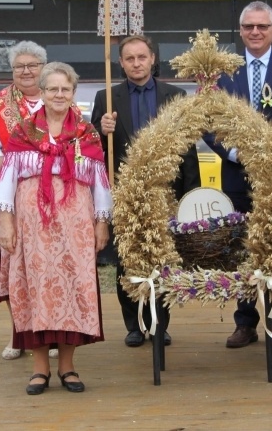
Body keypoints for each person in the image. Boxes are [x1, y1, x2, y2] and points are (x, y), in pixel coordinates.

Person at [0, 62, 112, 395]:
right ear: (42, 93)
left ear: (74, 93)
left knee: (73, 286)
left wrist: (102, 223)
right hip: (33, 227)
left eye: (66, 89)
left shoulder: (86, 134)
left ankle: (68, 368)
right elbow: (7, 180)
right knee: (36, 289)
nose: (59, 94)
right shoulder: (23, 132)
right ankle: (39, 369)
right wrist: (6, 221)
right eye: (53, 89)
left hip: (75, 224)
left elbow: (100, 183)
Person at [212, 0, 272, 349]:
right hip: (236, 174)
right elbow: (210, 121)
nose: (256, 32)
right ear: (240, 31)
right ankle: (245, 322)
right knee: (241, 247)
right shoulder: (223, 71)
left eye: (262, 26)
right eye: (249, 26)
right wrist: (236, 153)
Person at [91, 35, 186, 347]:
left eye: (141, 57)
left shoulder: (175, 95)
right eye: (129, 58)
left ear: (153, 59)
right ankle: (133, 324)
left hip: (164, 190)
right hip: (124, 192)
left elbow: (187, 148)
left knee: (163, 259)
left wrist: (188, 192)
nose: (136, 63)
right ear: (121, 62)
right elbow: (92, 148)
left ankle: (161, 322)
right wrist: (99, 129)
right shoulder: (107, 97)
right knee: (128, 260)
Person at [0, 41, 49, 360]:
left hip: (51, 200)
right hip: (10, 199)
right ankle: (19, 333)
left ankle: (52, 334)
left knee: (48, 265)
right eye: (19, 66)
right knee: (12, 267)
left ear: (43, 68)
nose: (26, 71)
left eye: (32, 65)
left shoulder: (58, 99)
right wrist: (25, 173)